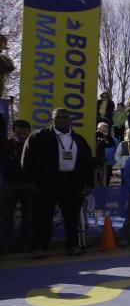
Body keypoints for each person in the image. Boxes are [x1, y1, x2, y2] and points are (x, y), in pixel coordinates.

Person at [22, 108, 95, 257]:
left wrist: (89, 183)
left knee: (72, 216)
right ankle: (39, 247)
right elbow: (27, 160)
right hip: (46, 182)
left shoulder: (79, 140)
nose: (62, 119)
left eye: (65, 117)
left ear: (70, 120)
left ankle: (72, 245)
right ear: (52, 120)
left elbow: (88, 163)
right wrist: (29, 181)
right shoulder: (39, 136)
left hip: (71, 183)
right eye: (58, 117)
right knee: (42, 216)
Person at [1, 119, 35, 253]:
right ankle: (5, 244)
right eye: (19, 133)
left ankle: (25, 243)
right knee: (6, 217)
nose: (22, 136)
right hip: (9, 184)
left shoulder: (34, 145)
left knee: (28, 217)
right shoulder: (6, 144)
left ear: (29, 132)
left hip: (28, 184)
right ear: (14, 130)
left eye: (25, 134)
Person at [94, 121, 116, 186]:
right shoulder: (93, 134)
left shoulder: (104, 138)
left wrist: (106, 136)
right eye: (101, 129)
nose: (102, 132)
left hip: (101, 161)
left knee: (102, 180)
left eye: (105, 130)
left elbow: (111, 144)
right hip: (92, 160)